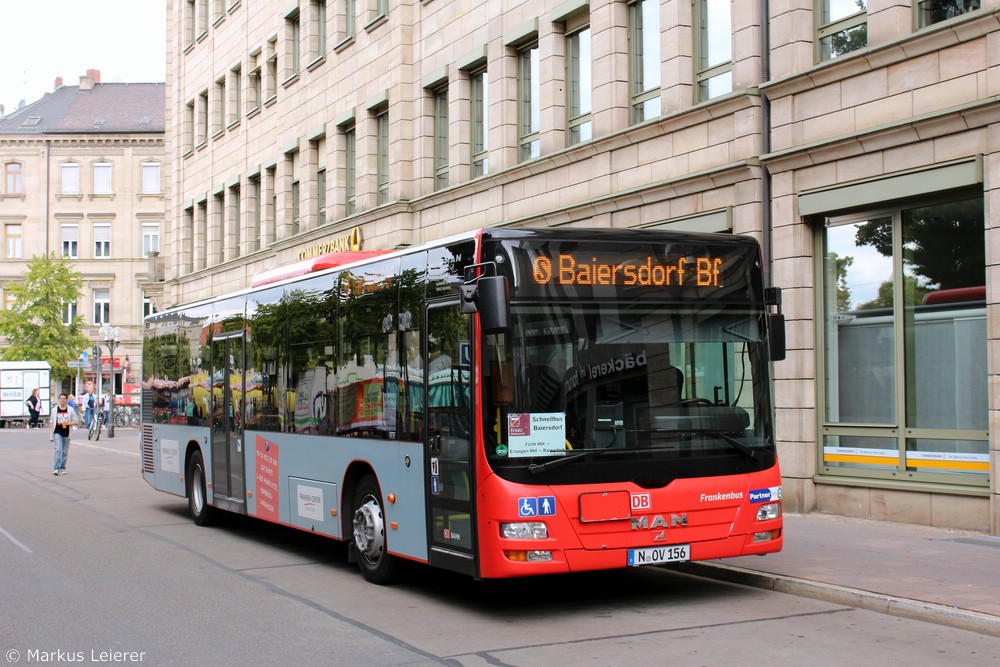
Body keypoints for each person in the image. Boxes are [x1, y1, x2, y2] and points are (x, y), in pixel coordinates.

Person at [50, 393, 79, 475]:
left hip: (66, 433)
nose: (62, 400)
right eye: (61, 398)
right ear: (59, 399)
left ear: (66, 400)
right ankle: (56, 468)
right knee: (58, 450)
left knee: (64, 452)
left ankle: (62, 467)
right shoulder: (55, 410)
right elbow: (52, 423)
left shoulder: (70, 410)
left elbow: (76, 421)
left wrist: (68, 423)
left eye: (64, 398)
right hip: (57, 432)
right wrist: (51, 435)